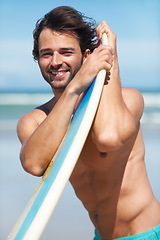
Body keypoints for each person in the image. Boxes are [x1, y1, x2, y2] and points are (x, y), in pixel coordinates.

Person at [17, 6, 160, 240]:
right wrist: (74, 89)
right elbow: (33, 164)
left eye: (65, 52)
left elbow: (108, 137)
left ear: (86, 56)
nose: (55, 61)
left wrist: (109, 58)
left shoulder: (129, 99)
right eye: (46, 53)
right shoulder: (34, 121)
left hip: (147, 233)